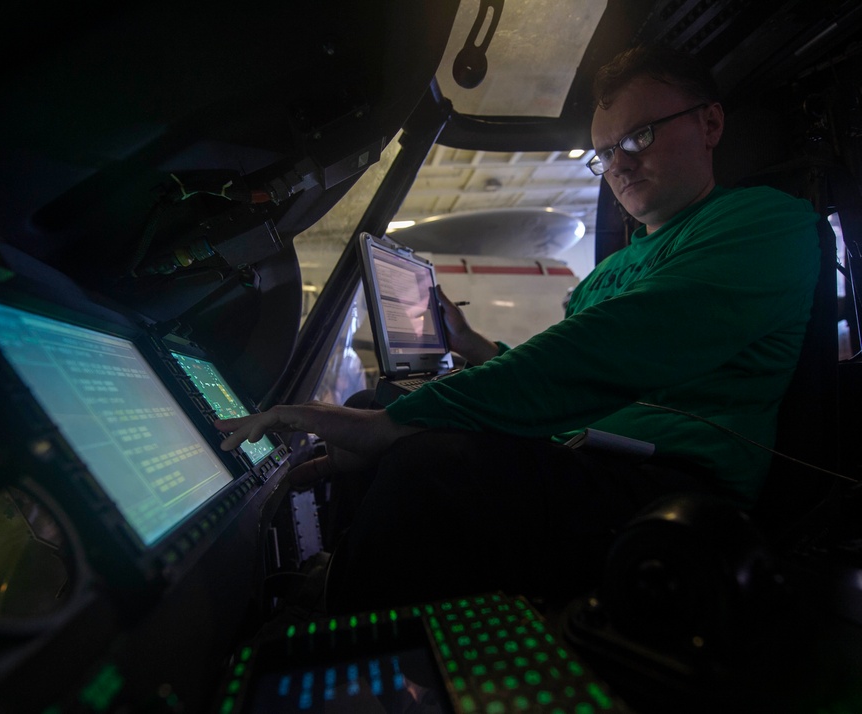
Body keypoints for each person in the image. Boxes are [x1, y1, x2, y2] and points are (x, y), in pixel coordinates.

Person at [215, 45, 823, 613]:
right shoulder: (607, 272)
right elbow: (563, 381)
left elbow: (607, 352)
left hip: (672, 491)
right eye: (606, 153)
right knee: (373, 401)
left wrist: (396, 426)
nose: (620, 165)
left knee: (426, 462)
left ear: (710, 125)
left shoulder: (765, 223)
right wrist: (475, 351)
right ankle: (347, 573)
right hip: (590, 454)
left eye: (640, 136)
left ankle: (332, 635)